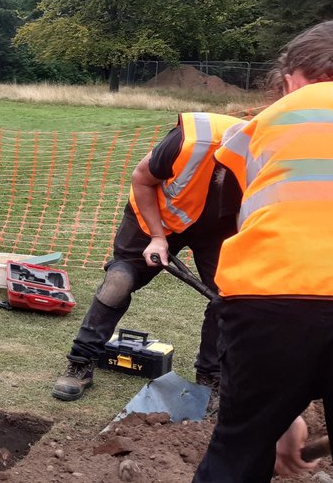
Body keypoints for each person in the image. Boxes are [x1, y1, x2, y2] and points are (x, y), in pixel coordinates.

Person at [195, 20, 333, 482]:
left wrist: (279, 412)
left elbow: (254, 222)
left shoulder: (263, 124)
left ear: (290, 78)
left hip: (270, 301)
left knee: (238, 450)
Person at [51, 110, 244, 402]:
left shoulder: (268, 157)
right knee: (119, 281)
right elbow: (141, 179)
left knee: (229, 293)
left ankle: (210, 377)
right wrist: (157, 237)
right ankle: (80, 363)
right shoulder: (189, 141)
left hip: (217, 227)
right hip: (157, 217)